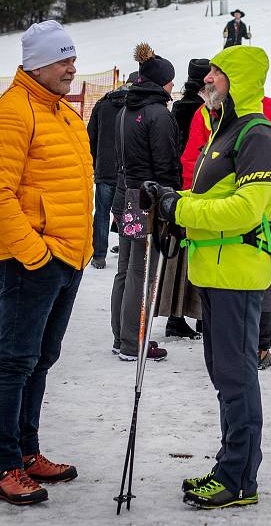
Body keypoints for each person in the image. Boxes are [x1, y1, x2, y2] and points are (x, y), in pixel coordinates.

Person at [143, 45, 271, 509]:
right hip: (215, 269)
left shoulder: (258, 134)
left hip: (238, 273)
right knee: (225, 374)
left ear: (237, 80)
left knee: (236, 375)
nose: (208, 82)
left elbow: (247, 209)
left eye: (217, 75)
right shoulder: (223, 129)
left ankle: (240, 478)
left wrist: (180, 207)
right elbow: (213, 193)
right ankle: (231, 465)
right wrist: (170, 196)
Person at [0, 20, 92, 506]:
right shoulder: (10, 113)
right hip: (32, 261)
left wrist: (71, 254)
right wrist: (35, 255)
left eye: (72, 58)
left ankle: (28, 452)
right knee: (15, 363)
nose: (72, 67)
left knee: (41, 360)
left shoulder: (63, 114)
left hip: (66, 257)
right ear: (37, 64)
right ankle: (5, 465)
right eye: (63, 60)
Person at [180, 90, 271, 369]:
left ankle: (249, 345)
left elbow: (192, 160)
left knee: (235, 277)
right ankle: (255, 346)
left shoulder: (263, 110)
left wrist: (189, 199)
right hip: (241, 215)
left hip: (238, 212)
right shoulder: (264, 108)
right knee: (255, 279)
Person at [110, 42, 180, 362]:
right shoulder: (157, 114)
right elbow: (166, 165)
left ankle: (121, 334)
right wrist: (171, 201)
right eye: (170, 80)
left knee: (126, 267)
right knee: (142, 270)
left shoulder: (126, 108)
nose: (172, 86)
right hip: (146, 199)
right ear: (160, 82)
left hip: (127, 195)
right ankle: (132, 341)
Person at [156, 58, 212, 341]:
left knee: (180, 257)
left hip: (177, 187)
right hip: (189, 187)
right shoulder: (199, 109)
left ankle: (181, 315)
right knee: (191, 255)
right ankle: (192, 316)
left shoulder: (180, 105)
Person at [87, 71, 138, 269]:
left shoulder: (103, 104)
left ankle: (99, 255)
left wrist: (95, 164)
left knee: (102, 213)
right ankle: (126, 249)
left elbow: (90, 137)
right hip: (127, 170)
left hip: (104, 169)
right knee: (128, 210)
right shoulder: (136, 107)